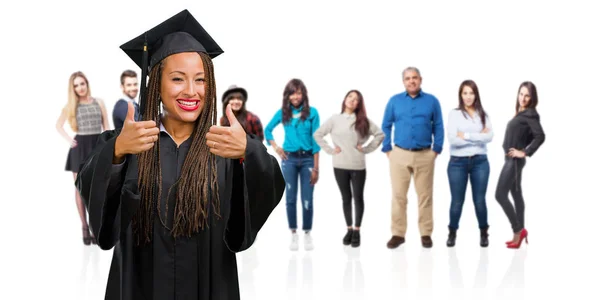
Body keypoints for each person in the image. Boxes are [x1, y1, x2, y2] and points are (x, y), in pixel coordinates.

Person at [74, 9, 285, 300]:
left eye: (200, 80)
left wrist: (249, 153)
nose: (192, 91)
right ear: (155, 84)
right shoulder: (130, 144)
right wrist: (116, 152)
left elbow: (251, 216)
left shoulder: (223, 146)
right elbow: (101, 218)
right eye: (177, 79)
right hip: (141, 287)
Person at [381, 67, 444, 249]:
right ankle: (398, 234)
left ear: (421, 79)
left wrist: (436, 150)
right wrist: (388, 150)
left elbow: (438, 126)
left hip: (425, 155)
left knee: (425, 196)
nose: (411, 81)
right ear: (403, 81)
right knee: (398, 196)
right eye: (408, 78)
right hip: (399, 154)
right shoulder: (394, 101)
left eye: (414, 78)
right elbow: (386, 125)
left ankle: (425, 233)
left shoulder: (432, 101)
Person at [313, 90, 384, 247]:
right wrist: (331, 150)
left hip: (358, 165)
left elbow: (380, 135)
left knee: (358, 198)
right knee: (346, 198)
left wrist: (365, 149)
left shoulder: (362, 120)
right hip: (339, 165)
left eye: (356, 99)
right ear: (345, 99)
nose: (352, 100)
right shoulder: (334, 119)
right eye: (350, 97)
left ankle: (357, 230)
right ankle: (349, 229)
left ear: (359, 104)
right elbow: (318, 134)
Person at [264, 78, 321, 251]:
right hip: (289, 160)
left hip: (308, 160)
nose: (295, 96)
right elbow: (268, 130)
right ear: (287, 96)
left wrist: (316, 168)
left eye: (298, 92)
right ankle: (294, 234)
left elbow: (316, 140)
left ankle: (307, 233)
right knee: (290, 198)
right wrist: (276, 147)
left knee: (307, 199)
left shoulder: (312, 112)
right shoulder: (283, 112)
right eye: (292, 93)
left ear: (303, 94)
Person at [56, 71, 110, 245]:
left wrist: (108, 146)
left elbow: (106, 127)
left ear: (87, 83)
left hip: (97, 145)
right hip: (80, 148)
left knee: (95, 189)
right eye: (76, 85)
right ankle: (84, 227)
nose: (80, 88)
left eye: (82, 83)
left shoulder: (99, 102)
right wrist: (69, 140)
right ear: (73, 88)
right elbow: (58, 125)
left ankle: (95, 228)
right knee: (80, 189)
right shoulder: (71, 106)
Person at [495, 81, 545, 249]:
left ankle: (519, 230)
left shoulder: (530, 114)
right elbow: (529, 135)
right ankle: (518, 234)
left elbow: (540, 136)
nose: (523, 98)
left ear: (532, 98)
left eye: (527, 95)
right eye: (521, 94)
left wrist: (524, 151)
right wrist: (523, 146)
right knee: (516, 194)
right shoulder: (521, 113)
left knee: (500, 195)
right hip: (511, 160)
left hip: (514, 161)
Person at [445, 80, 493, 248]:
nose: (468, 96)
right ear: (460, 95)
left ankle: (484, 232)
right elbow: (452, 139)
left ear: (476, 95)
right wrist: (477, 135)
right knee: (457, 201)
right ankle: (452, 232)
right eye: (465, 93)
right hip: (458, 163)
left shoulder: (483, 114)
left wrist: (465, 135)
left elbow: (489, 137)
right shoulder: (454, 114)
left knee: (479, 200)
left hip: (480, 162)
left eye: (471, 93)